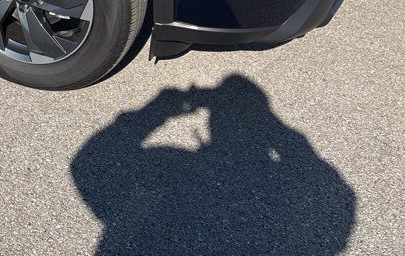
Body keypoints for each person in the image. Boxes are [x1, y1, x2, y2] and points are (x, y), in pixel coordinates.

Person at [71, 74, 356, 255]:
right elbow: (315, 173)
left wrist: (159, 109)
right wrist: (270, 124)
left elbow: (87, 163)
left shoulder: (174, 168)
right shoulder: (290, 193)